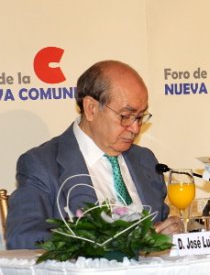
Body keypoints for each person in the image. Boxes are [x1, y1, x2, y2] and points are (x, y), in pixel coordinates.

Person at [6, 60, 181, 249]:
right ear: (91, 108)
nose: (135, 128)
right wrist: (108, 241)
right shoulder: (42, 164)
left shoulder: (145, 160)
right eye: (125, 116)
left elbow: (159, 225)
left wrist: (170, 231)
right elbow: (23, 237)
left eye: (140, 117)